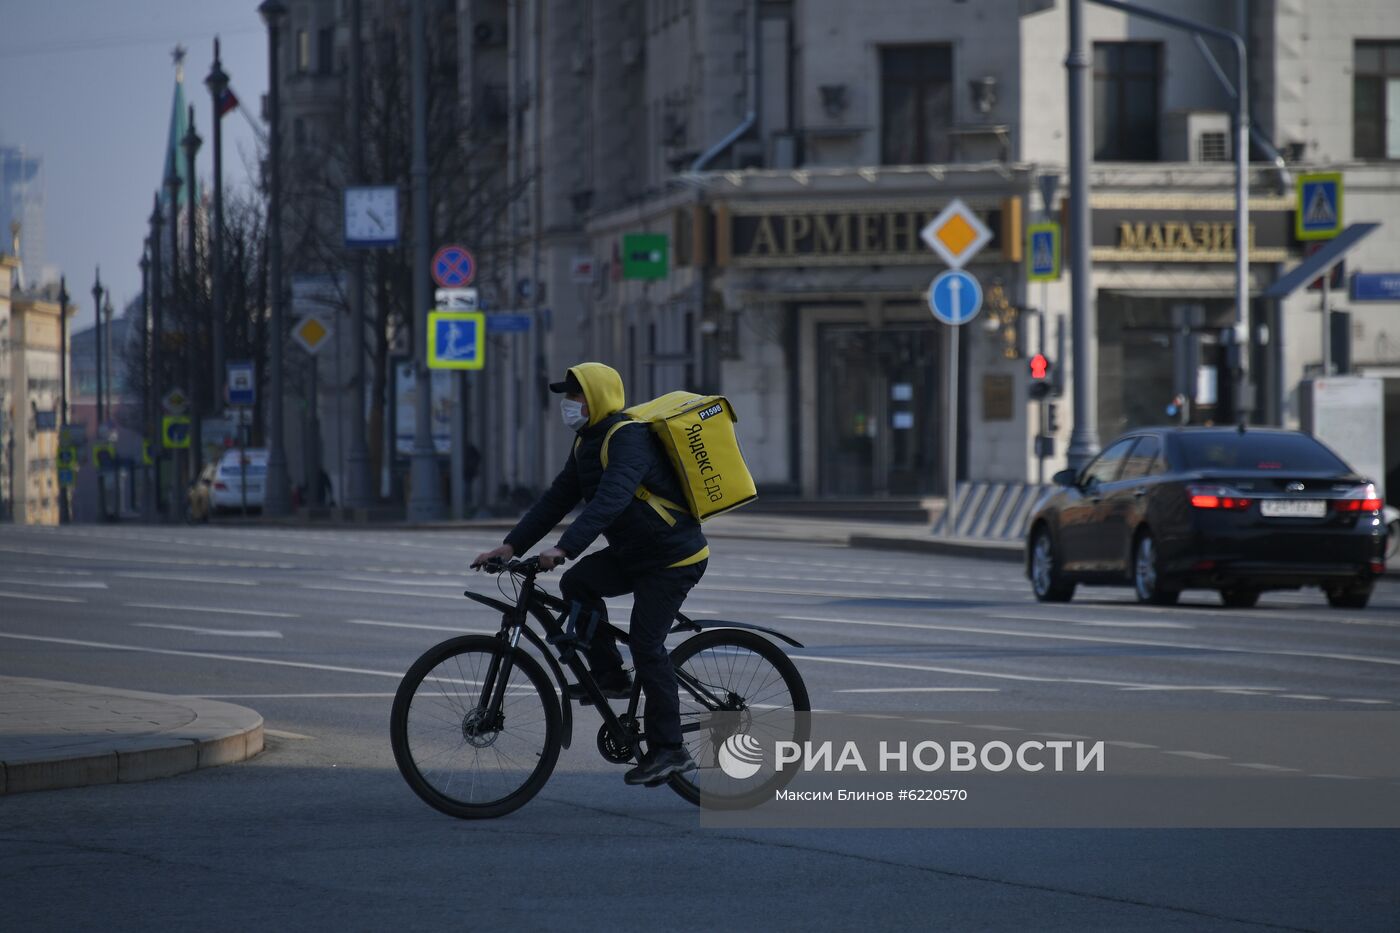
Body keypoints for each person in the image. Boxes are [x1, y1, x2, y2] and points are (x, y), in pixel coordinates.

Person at [472, 362, 708, 787]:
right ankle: (610, 675)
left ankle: (671, 750)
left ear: (597, 398)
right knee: (578, 583)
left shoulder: (629, 438)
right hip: (634, 553)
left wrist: (565, 547)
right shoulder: (586, 443)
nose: (569, 405)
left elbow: (612, 500)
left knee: (646, 642)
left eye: (576, 396)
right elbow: (555, 500)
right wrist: (510, 546)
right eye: (567, 397)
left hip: (671, 558)